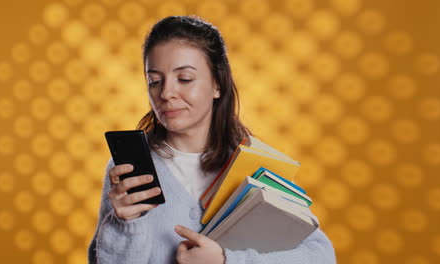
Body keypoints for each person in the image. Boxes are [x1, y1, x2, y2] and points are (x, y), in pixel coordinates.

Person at [88, 15, 336, 264]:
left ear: (217, 84)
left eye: (184, 78)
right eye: (154, 81)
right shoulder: (129, 170)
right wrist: (125, 225)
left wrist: (226, 260)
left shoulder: (257, 166)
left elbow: (320, 257)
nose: (166, 93)